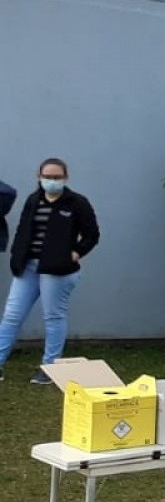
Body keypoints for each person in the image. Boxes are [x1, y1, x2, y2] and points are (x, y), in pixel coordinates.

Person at [0, 159, 100, 384]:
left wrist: (75, 253)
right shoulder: (33, 200)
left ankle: (49, 369)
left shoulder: (77, 203)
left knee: (53, 317)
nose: (52, 181)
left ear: (65, 178)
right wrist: (17, 257)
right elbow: (22, 231)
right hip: (27, 268)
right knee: (11, 317)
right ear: (39, 176)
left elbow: (92, 234)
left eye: (57, 177)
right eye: (48, 177)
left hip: (58, 271)